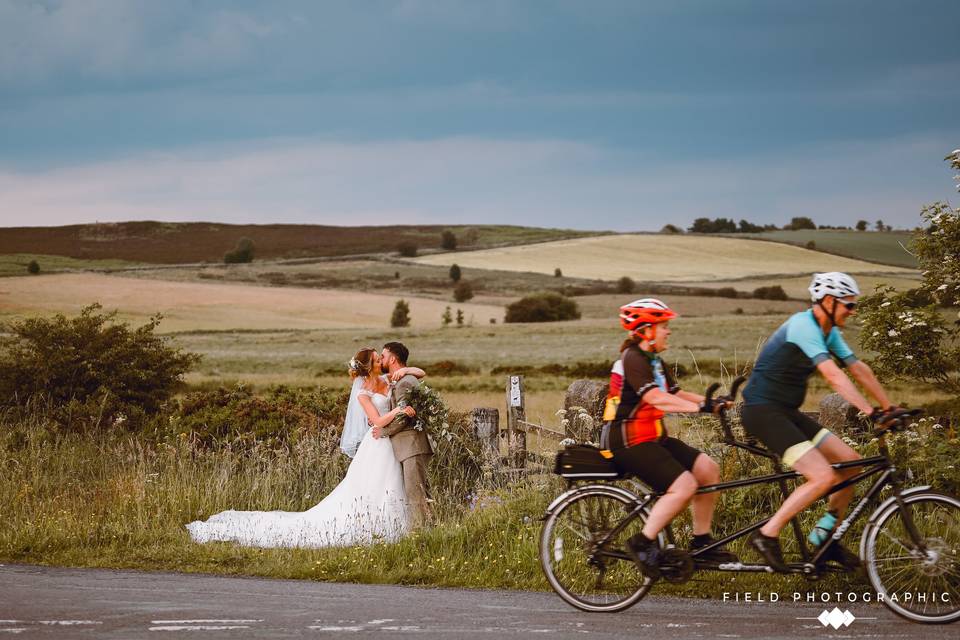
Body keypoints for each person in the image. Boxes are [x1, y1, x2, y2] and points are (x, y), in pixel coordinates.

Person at [185, 347, 424, 548]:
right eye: (377, 357)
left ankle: (402, 527)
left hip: (389, 443)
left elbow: (419, 374)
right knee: (374, 487)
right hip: (377, 443)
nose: (382, 360)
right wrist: (399, 411)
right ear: (371, 364)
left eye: (382, 356)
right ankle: (377, 527)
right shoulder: (363, 393)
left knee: (391, 483)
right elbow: (378, 421)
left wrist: (407, 369)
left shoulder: (387, 379)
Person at [742, 272, 898, 572]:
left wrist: (888, 406)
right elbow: (834, 375)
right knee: (823, 476)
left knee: (851, 463)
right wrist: (869, 411)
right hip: (762, 411)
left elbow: (857, 368)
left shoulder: (828, 330)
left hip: (786, 411)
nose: (852, 312)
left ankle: (824, 538)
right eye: (848, 306)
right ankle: (766, 535)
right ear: (828, 301)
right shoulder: (803, 326)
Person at [602, 298, 736, 579]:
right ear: (647, 330)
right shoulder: (633, 359)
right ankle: (641, 543)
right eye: (664, 326)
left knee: (707, 470)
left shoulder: (654, 361)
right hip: (628, 441)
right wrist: (698, 409)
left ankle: (702, 542)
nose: (668, 332)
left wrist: (711, 403)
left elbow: (674, 394)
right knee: (684, 486)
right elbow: (655, 399)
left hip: (653, 438)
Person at [373, 342, 434, 528]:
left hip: (412, 446)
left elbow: (403, 418)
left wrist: (383, 431)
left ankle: (419, 534)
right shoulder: (400, 378)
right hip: (408, 447)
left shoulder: (405, 381)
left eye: (383, 356)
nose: (381, 360)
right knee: (420, 492)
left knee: (415, 493)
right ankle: (431, 529)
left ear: (392, 359)